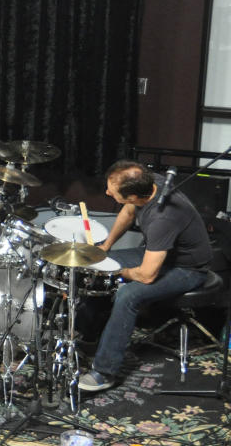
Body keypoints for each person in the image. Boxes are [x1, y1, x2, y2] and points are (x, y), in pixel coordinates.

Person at [78, 160, 212, 393]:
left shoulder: (164, 217)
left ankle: (105, 371)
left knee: (128, 295)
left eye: (112, 190)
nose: (107, 192)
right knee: (95, 266)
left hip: (188, 268)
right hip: (160, 252)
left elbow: (147, 275)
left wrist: (115, 270)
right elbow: (129, 210)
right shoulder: (150, 183)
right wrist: (106, 248)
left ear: (132, 195)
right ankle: (89, 337)